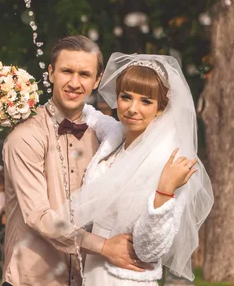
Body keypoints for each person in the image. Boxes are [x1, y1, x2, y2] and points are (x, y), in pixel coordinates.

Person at [2, 35, 156, 286]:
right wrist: (105, 247)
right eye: (66, 71)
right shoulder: (25, 137)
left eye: (84, 74)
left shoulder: (106, 136)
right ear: (50, 73)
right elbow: (39, 217)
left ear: (97, 80)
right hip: (32, 280)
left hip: (88, 279)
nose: (74, 82)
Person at [67, 53, 214, 285]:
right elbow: (91, 116)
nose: (132, 109)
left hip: (127, 278)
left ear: (160, 109)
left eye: (146, 101)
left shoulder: (168, 161)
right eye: (126, 97)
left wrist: (164, 191)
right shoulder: (115, 137)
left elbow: (149, 251)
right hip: (93, 271)